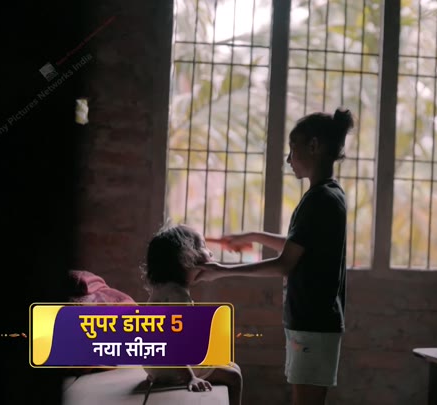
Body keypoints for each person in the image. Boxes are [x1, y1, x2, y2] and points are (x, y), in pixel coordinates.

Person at [195, 107, 353, 405]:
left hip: (313, 322)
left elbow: (285, 263)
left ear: (314, 146)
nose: (289, 159)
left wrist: (221, 270)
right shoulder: (329, 194)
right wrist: (253, 236)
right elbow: (298, 246)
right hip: (311, 321)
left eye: (293, 149)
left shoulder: (320, 199)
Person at [141, 224, 243, 405]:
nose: (209, 252)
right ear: (185, 257)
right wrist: (190, 378)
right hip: (171, 367)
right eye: (203, 245)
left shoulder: (162, 288)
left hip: (154, 364)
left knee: (230, 365)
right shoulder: (178, 295)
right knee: (234, 376)